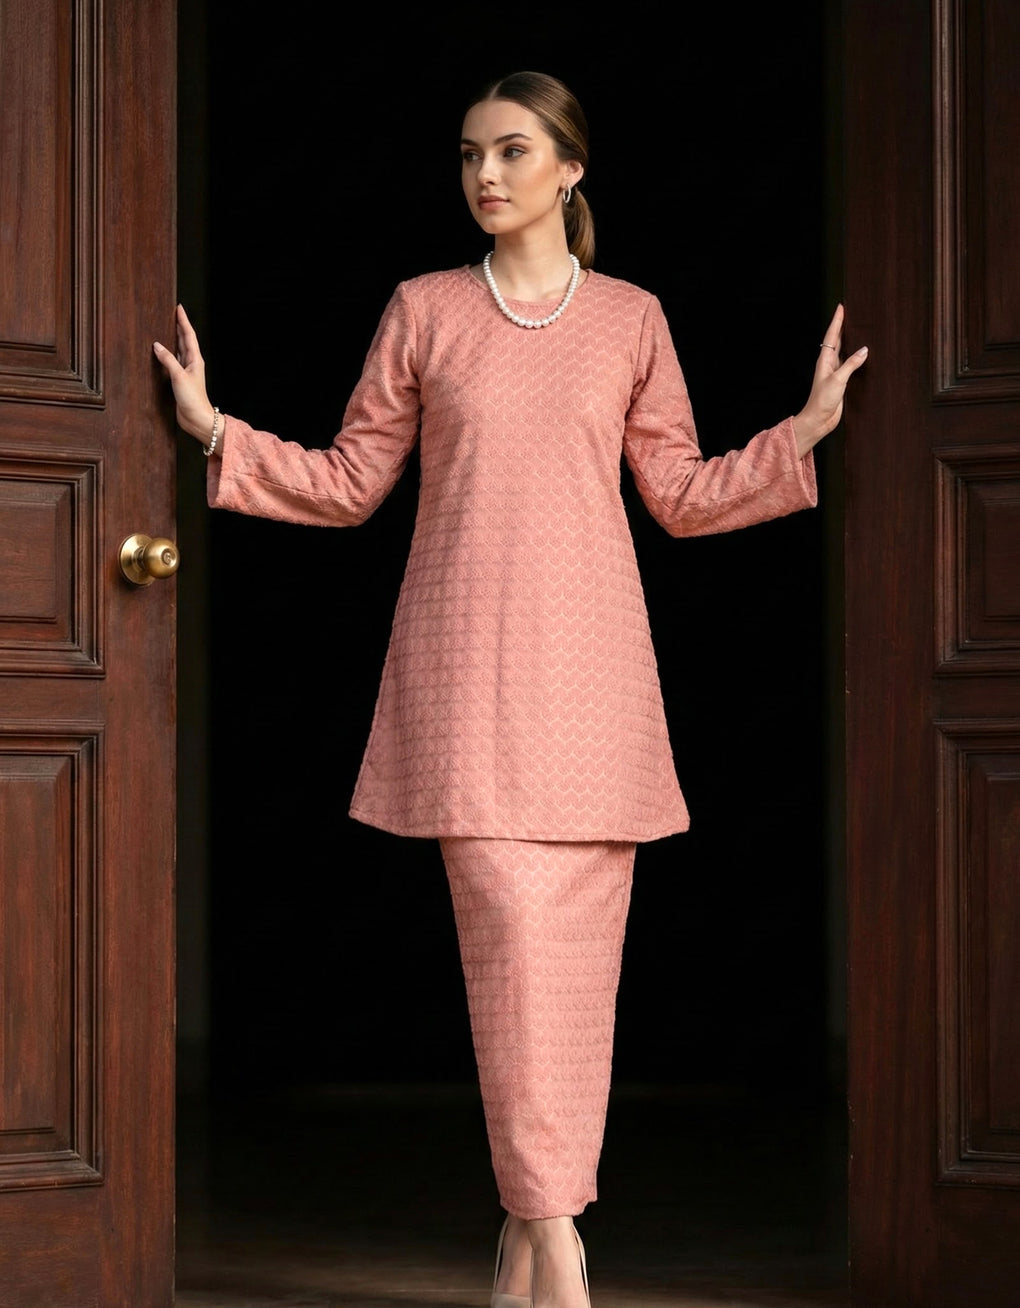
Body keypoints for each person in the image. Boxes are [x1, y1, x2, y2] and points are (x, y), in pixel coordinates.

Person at [155, 69, 867, 1308]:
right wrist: (218, 429)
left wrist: (799, 432)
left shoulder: (632, 318)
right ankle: (553, 1234)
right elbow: (350, 481)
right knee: (513, 960)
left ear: (571, 168)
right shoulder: (424, 309)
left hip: (597, 687)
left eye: (513, 151)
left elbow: (682, 495)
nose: (485, 174)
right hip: (468, 681)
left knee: (577, 982)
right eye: (470, 154)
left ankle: (536, 1234)